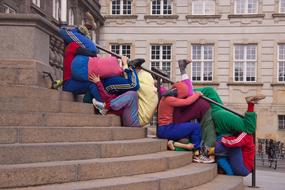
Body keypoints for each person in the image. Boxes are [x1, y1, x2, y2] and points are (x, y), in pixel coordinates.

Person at [92, 65, 158, 127]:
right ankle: (105, 107)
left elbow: (133, 84)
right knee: (132, 94)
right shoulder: (152, 93)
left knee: (132, 94)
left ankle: (105, 107)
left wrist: (126, 65)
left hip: (135, 121)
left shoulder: (147, 90)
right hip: (134, 119)